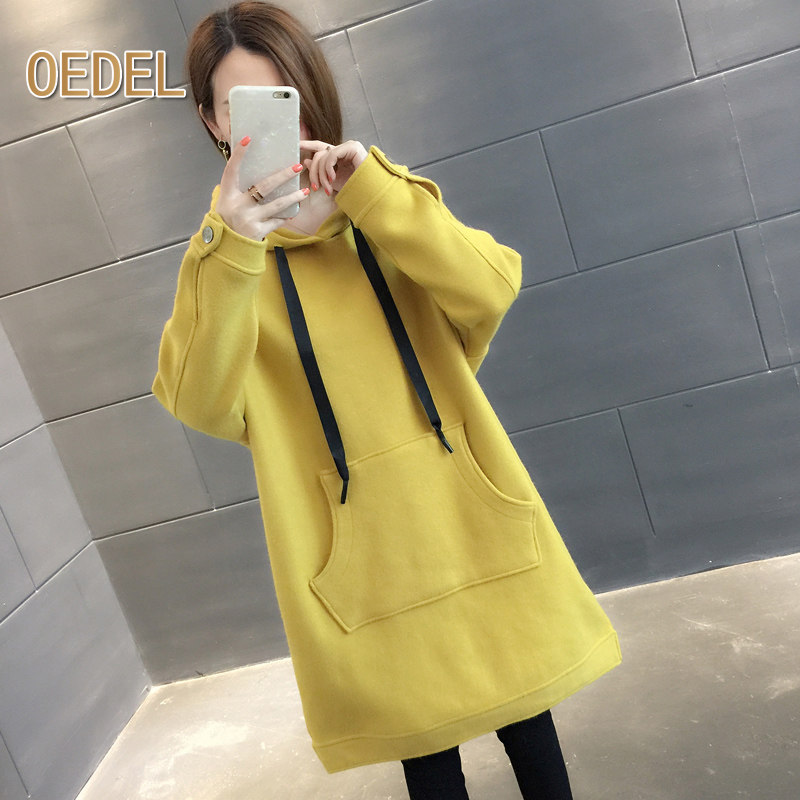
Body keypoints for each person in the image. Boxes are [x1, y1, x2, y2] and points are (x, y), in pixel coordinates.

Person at [152, 3, 622, 798]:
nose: (270, 122)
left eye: (282, 94)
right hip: (363, 566)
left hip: (469, 526)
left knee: (531, 731)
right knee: (427, 762)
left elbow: (488, 288)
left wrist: (373, 191)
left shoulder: (381, 206)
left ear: (311, 91)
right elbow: (200, 400)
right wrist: (230, 245)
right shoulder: (226, 265)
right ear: (212, 122)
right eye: (240, 106)